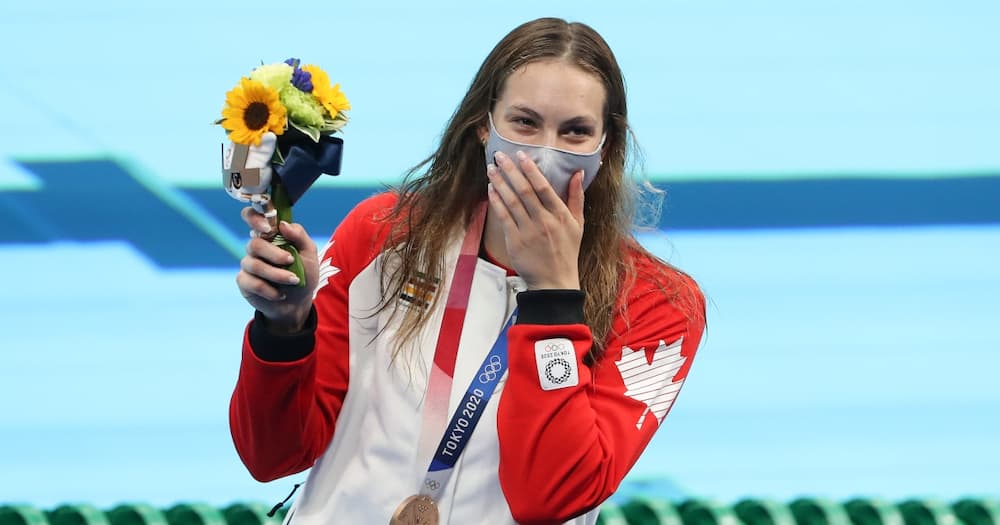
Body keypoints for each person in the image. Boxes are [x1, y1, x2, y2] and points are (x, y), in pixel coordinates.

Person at [230, 17, 706, 525]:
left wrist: (552, 298)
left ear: (605, 146)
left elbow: (550, 496)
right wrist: (285, 328)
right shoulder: (382, 233)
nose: (544, 155)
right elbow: (271, 455)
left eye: (575, 132)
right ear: (484, 125)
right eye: (524, 122)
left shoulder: (656, 303)